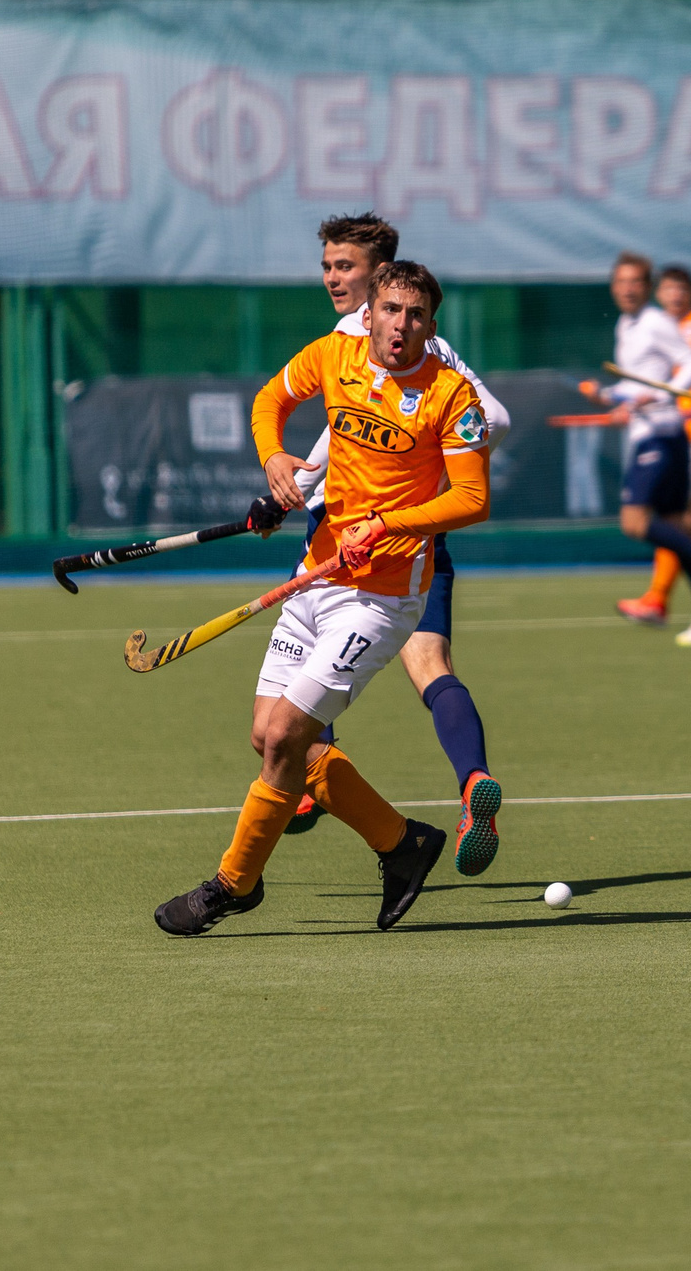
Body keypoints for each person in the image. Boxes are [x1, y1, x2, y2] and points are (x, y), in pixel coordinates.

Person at [154, 261, 484, 936]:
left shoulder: (452, 396)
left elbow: (472, 498)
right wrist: (272, 455)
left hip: (382, 600)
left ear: (431, 324)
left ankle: (233, 884)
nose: (401, 325)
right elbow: (269, 400)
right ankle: (401, 844)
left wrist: (387, 525)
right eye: (391, 310)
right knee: (269, 737)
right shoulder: (334, 356)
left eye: (416, 315)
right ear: (371, 313)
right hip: (317, 577)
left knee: (286, 734)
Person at [284, 214, 511, 877]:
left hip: (360, 538)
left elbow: (484, 417)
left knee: (305, 662)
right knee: (430, 664)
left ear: (379, 273)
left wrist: (306, 482)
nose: (333, 278)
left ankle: (311, 781)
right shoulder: (404, 341)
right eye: (327, 266)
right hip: (414, 538)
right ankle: (474, 782)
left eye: (345, 267)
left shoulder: (387, 342)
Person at [591, 253, 691, 639]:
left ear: (647, 287)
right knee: (677, 527)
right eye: (621, 281)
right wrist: (609, 395)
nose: (627, 289)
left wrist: (659, 397)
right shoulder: (626, 325)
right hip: (661, 434)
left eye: (635, 281)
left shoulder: (655, 322)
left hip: (660, 433)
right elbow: (639, 382)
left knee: (634, 522)